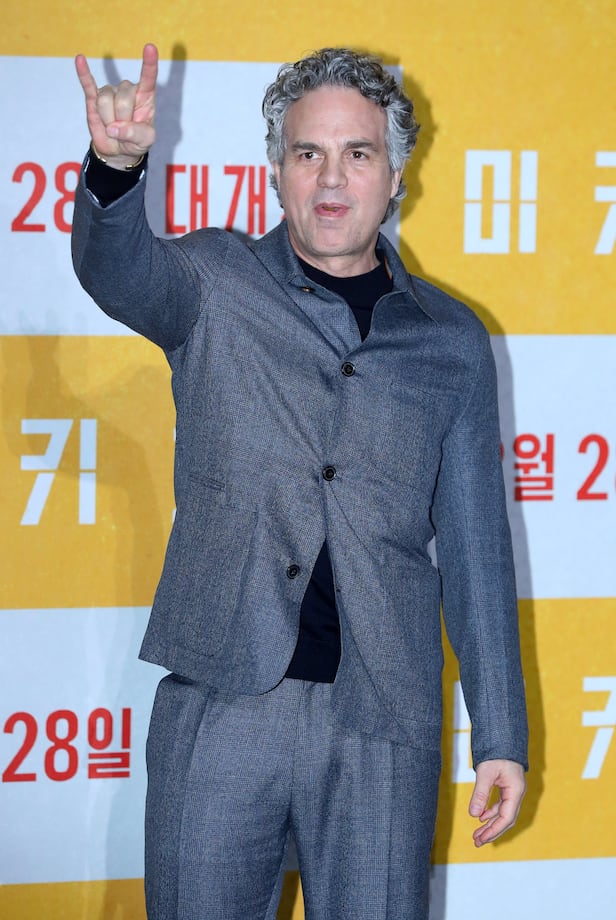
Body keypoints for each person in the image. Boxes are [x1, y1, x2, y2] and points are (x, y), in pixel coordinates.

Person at [72, 43, 528, 920]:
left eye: (358, 153)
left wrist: (500, 733)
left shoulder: (452, 341)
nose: (332, 178)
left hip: (382, 720)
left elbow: (477, 550)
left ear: (395, 177)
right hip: (222, 701)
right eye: (307, 152)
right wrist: (115, 171)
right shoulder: (214, 283)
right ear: (276, 171)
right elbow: (117, 272)